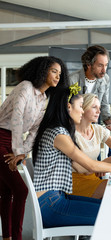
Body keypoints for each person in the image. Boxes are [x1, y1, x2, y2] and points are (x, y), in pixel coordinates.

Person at [32, 83, 111, 230]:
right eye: (80, 106)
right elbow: (90, 166)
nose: (82, 111)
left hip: (57, 198)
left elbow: (86, 167)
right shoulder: (59, 134)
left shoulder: (58, 131)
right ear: (68, 107)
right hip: (50, 205)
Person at [0, 56, 69, 240]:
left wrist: (22, 153)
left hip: (13, 142)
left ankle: (7, 237)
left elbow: (34, 132)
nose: (57, 76)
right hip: (1, 137)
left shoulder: (43, 98)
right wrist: (18, 151)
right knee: (21, 190)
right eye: (54, 71)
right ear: (42, 70)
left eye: (59, 73)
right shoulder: (25, 87)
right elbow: (16, 120)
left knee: (7, 190)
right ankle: (17, 237)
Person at [72, 93, 111, 199]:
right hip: (75, 182)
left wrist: (108, 161)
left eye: (99, 108)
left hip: (94, 179)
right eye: (94, 107)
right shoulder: (70, 134)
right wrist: (103, 165)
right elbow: (80, 168)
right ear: (82, 108)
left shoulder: (98, 130)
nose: (99, 111)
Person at [69, 45, 111, 132]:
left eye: (106, 65)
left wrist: (109, 121)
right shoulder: (72, 80)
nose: (104, 70)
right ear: (89, 64)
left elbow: (104, 104)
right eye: (100, 65)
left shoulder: (105, 79)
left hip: (91, 128)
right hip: (74, 128)